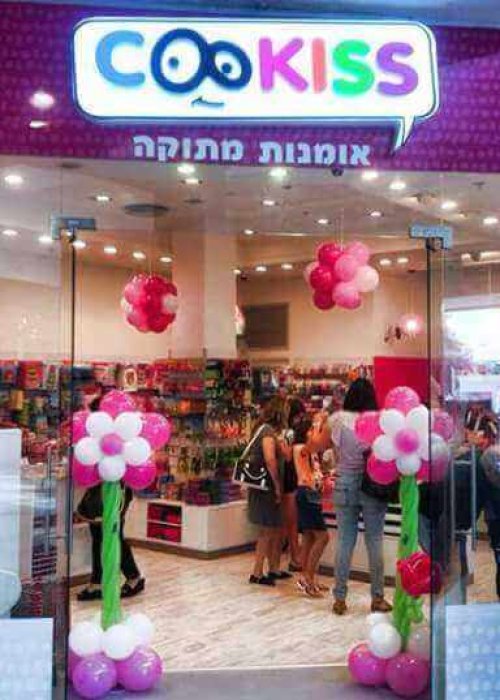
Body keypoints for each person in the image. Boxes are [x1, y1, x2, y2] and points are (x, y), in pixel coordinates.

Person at [309, 378, 392, 616]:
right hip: (372, 484)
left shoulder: (336, 420)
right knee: (374, 541)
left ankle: (340, 598)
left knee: (345, 540)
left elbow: (317, 445)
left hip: (344, 482)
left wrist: (317, 428)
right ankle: (378, 597)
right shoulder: (379, 421)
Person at [76, 397, 144, 601]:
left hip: (115, 489)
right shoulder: (101, 435)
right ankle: (101, 581)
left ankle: (130, 577)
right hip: (103, 488)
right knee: (101, 535)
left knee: (110, 535)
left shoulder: (119, 435)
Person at [247, 397, 289, 586]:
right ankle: (257, 573)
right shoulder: (267, 432)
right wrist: (277, 485)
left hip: (263, 486)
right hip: (266, 487)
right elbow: (270, 459)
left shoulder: (264, 430)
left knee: (272, 528)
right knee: (266, 530)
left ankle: (272, 568)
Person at [293, 414, 329, 597]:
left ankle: (307, 577)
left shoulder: (311, 451)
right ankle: (308, 579)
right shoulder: (301, 448)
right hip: (306, 493)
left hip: (312, 493)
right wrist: (319, 424)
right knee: (323, 537)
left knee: (309, 537)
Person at [281, 397, 307, 572]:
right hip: (293, 477)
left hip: (290, 477)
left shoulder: (287, 432)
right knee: (293, 521)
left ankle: (295, 556)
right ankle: (295, 557)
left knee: (291, 521)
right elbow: (289, 456)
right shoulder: (292, 433)